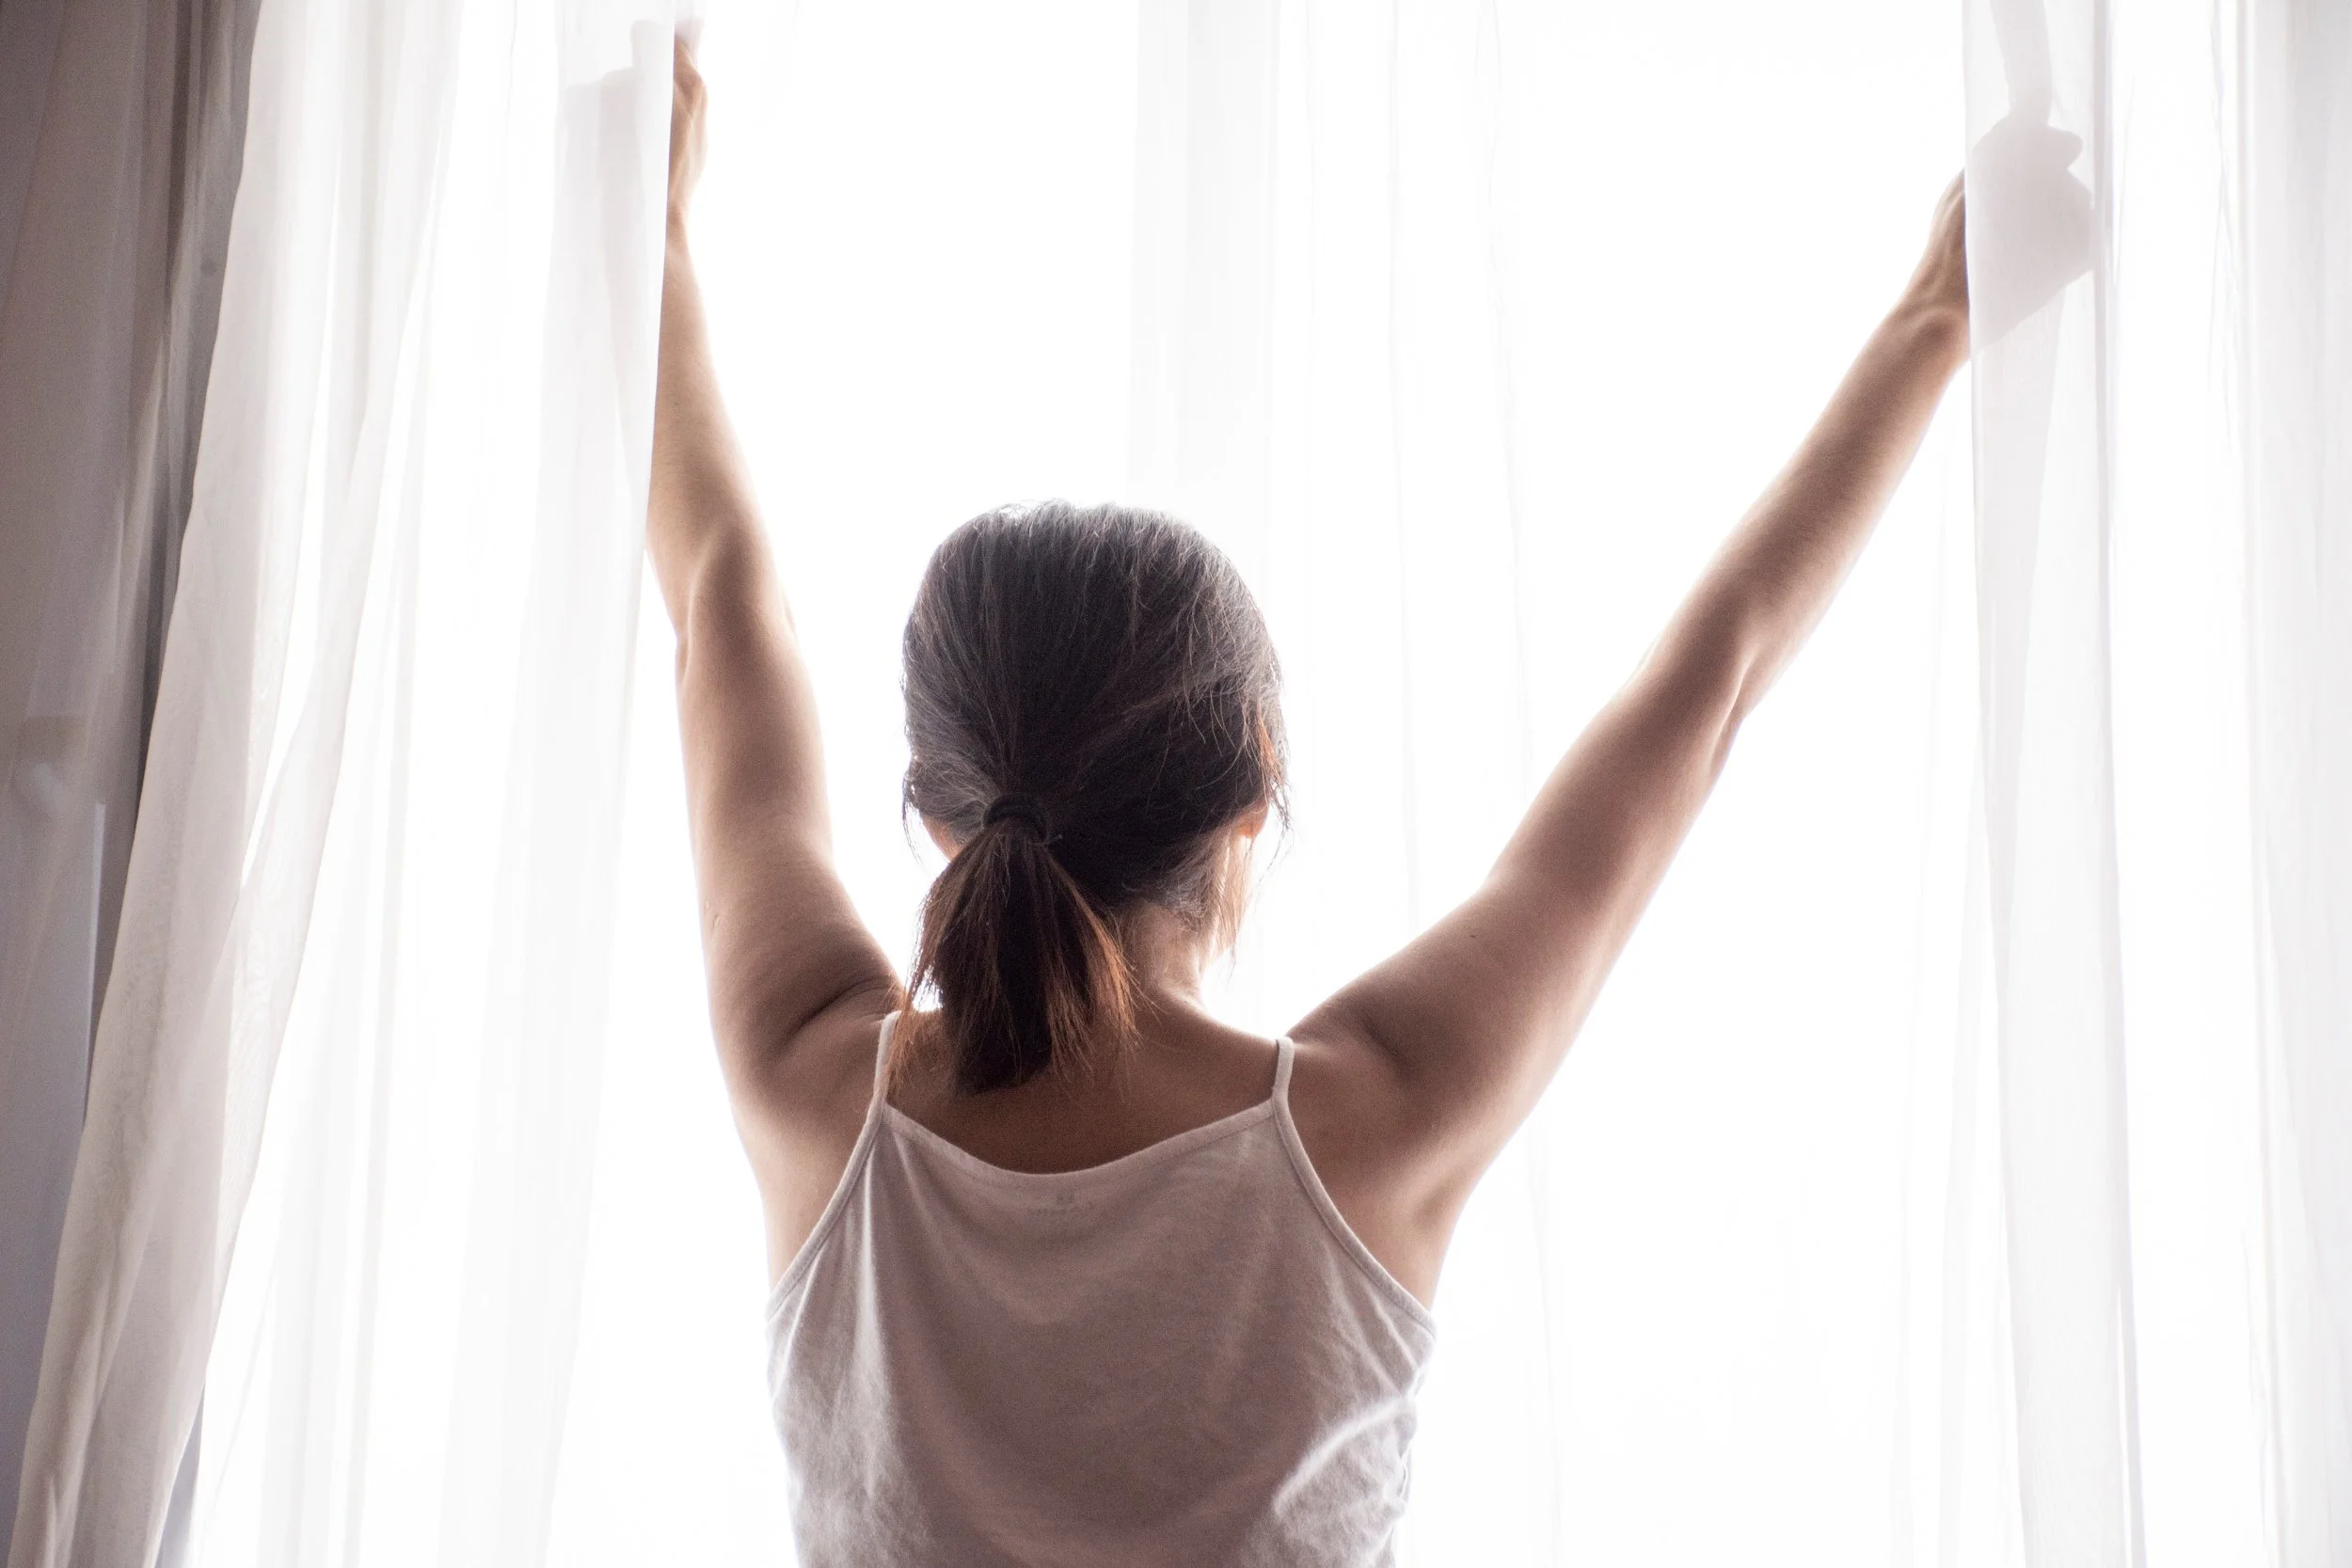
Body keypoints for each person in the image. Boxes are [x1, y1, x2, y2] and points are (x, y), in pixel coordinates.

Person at [647, 39, 1970, 1568]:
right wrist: (1935, 317)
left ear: (941, 812)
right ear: (1252, 794)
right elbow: (1706, 686)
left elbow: (724, 604)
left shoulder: (818, 1089)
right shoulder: (1371, 1119)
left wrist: (655, 237)